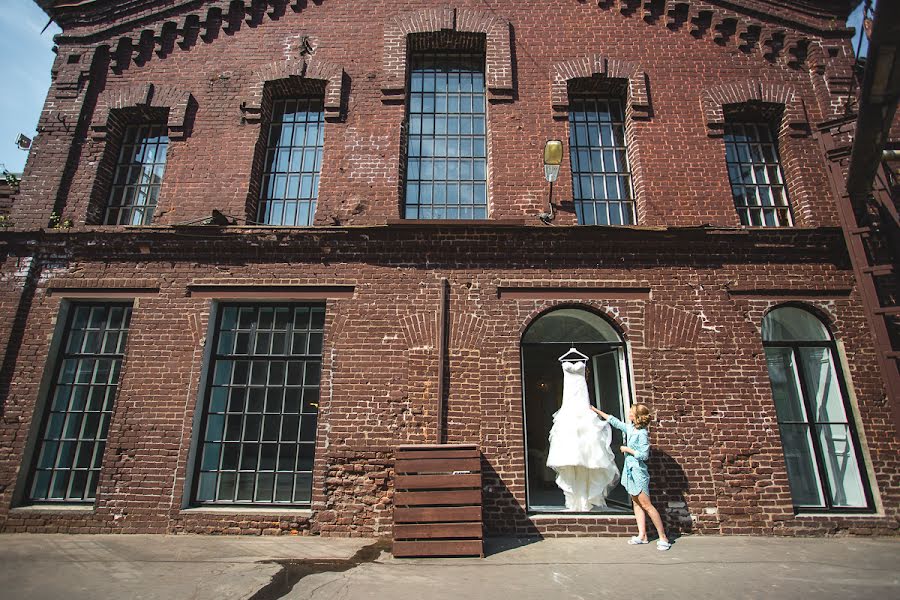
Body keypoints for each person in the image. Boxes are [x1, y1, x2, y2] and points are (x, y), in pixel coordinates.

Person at [590, 403, 672, 551]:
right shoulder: (630, 428)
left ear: (637, 416)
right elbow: (614, 421)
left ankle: (663, 537)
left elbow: (644, 455)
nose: (629, 414)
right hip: (630, 471)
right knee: (636, 504)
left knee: (647, 504)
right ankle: (642, 535)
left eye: (631, 412)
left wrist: (628, 449)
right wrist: (595, 410)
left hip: (638, 472)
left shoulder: (642, 434)